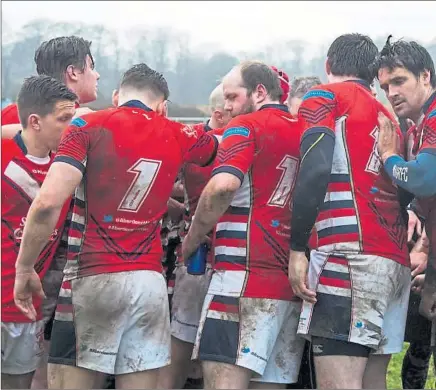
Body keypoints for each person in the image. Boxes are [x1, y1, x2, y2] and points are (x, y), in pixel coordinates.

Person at [13, 63, 218, 390]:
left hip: (91, 278)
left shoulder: (86, 124)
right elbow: (215, 149)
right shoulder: (179, 132)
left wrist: (24, 268)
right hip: (149, 283)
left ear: (116, 95)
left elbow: (48, 203)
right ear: (163, 105)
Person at [288, 33, 411, 389]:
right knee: (373, 381)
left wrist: (298, 247)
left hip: (347, 255)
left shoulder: (324, 96)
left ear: (328, 66)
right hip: (392, 260)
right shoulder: (388, 112)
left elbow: (315, 166)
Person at [182, 60, 305, 389]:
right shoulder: (303, 130)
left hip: (240, 279)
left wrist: (194, 237)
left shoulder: (245, 127)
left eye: (232, 96)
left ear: (259, 92)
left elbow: (222, 187)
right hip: (288, 285)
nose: (226, 105)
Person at [1, 75, 77, 389]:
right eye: (63, 119)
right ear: (35, 121)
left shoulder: (69, 167)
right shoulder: (4, 153)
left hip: (23, 307)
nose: (72, 127)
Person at [157, 83, 232, 389]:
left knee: (182, 344)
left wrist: (177, 207)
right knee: (212, 352)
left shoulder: (190, 142)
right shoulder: (233, 142)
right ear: (220, 112)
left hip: (195, 256)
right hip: (220, 257)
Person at [374, 36, 436, 357]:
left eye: (399, 81)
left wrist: (389, 157)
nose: (392, 93)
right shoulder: (414, 129)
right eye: (385, 87)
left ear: (425, 76)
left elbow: (424, 180)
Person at [1, 36, 99, 137]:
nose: (97, 76)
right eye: (91, 67)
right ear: (73, 72)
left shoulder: (11, 112)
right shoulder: (84, 122)